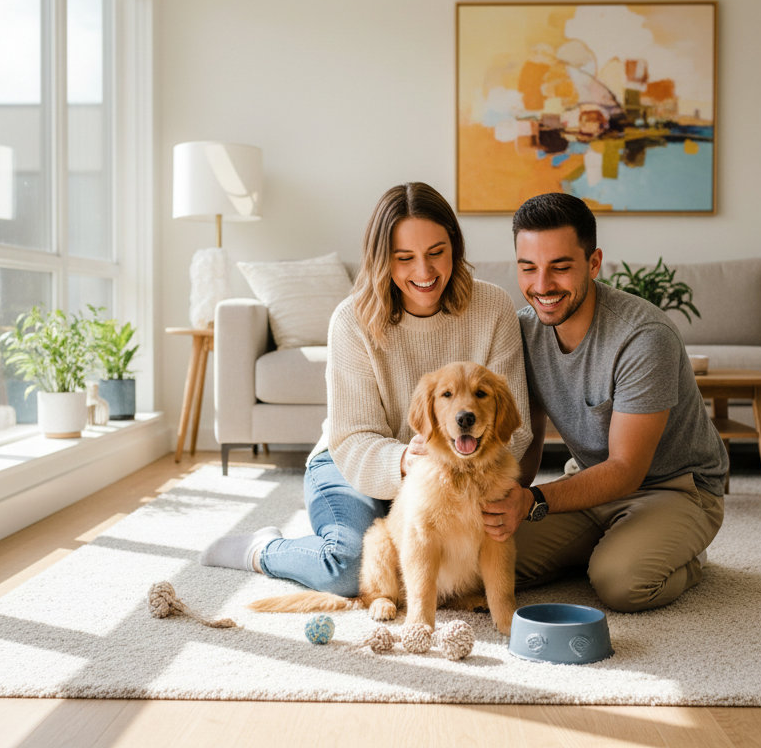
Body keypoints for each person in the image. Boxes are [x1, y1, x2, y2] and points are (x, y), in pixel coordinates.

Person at [203, 182, 533, 596]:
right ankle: (264, 549)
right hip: (352, 468)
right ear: (382, 260)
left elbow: (513, 426)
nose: (424, 273)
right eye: (404, 258)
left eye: (436, 253)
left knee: (504, 562)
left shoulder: (495, 308)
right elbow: (351, 437)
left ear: (455, 247)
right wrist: (404, 461)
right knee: (348, 567)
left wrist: (456, 475)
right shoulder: (351, 321)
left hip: (455, 475)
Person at [481, 192, 727, 612]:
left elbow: (627, 469)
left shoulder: (644, 336)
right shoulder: (522, 329)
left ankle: (684, 556)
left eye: (560, 267)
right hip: (589, 485)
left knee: (622, 585)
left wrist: (536, 502)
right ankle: (606, 546)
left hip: (676, 489)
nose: (542, 286)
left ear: (593, 263)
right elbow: (529, 439)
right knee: (479, 560)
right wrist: (507, 502)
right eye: (529, 268)